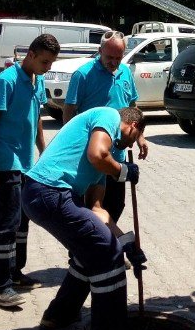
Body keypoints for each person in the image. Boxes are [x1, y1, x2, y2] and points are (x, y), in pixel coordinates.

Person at [21, 105, 146, 330]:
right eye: (133, 139)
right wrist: (123, 172)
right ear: (133, 127)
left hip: (44, 196)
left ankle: (59, 315)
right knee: (108, 255)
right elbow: (97, 155)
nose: (128, 147)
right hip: (51, 192)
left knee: (90, 251)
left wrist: (126, 242)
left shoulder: (103, 161)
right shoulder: (109, 115)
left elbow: (97, 211)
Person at [0, 32, 60, 308]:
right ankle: (0, 287)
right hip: (4, 164)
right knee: (5, 225)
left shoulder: (36, 81)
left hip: (27, 165)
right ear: (31, 55)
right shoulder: (5, 81)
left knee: (22, 222)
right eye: (45, 62)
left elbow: (37, 119)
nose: (48, 67)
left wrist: (44, 153)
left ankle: (15, 273)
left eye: (51, 63)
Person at [63, 30, 149, 222]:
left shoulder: (125, 71)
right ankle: (82, 250)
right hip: (92, 155)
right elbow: (69, 111)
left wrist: (140, 136)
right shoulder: (83, 75)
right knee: (90, 209)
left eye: (118, 58)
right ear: (100, 50)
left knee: (116, 204)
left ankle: (103, 244)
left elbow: (132, 107)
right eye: (110, 57)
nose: (114, 62)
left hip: (117, 155)